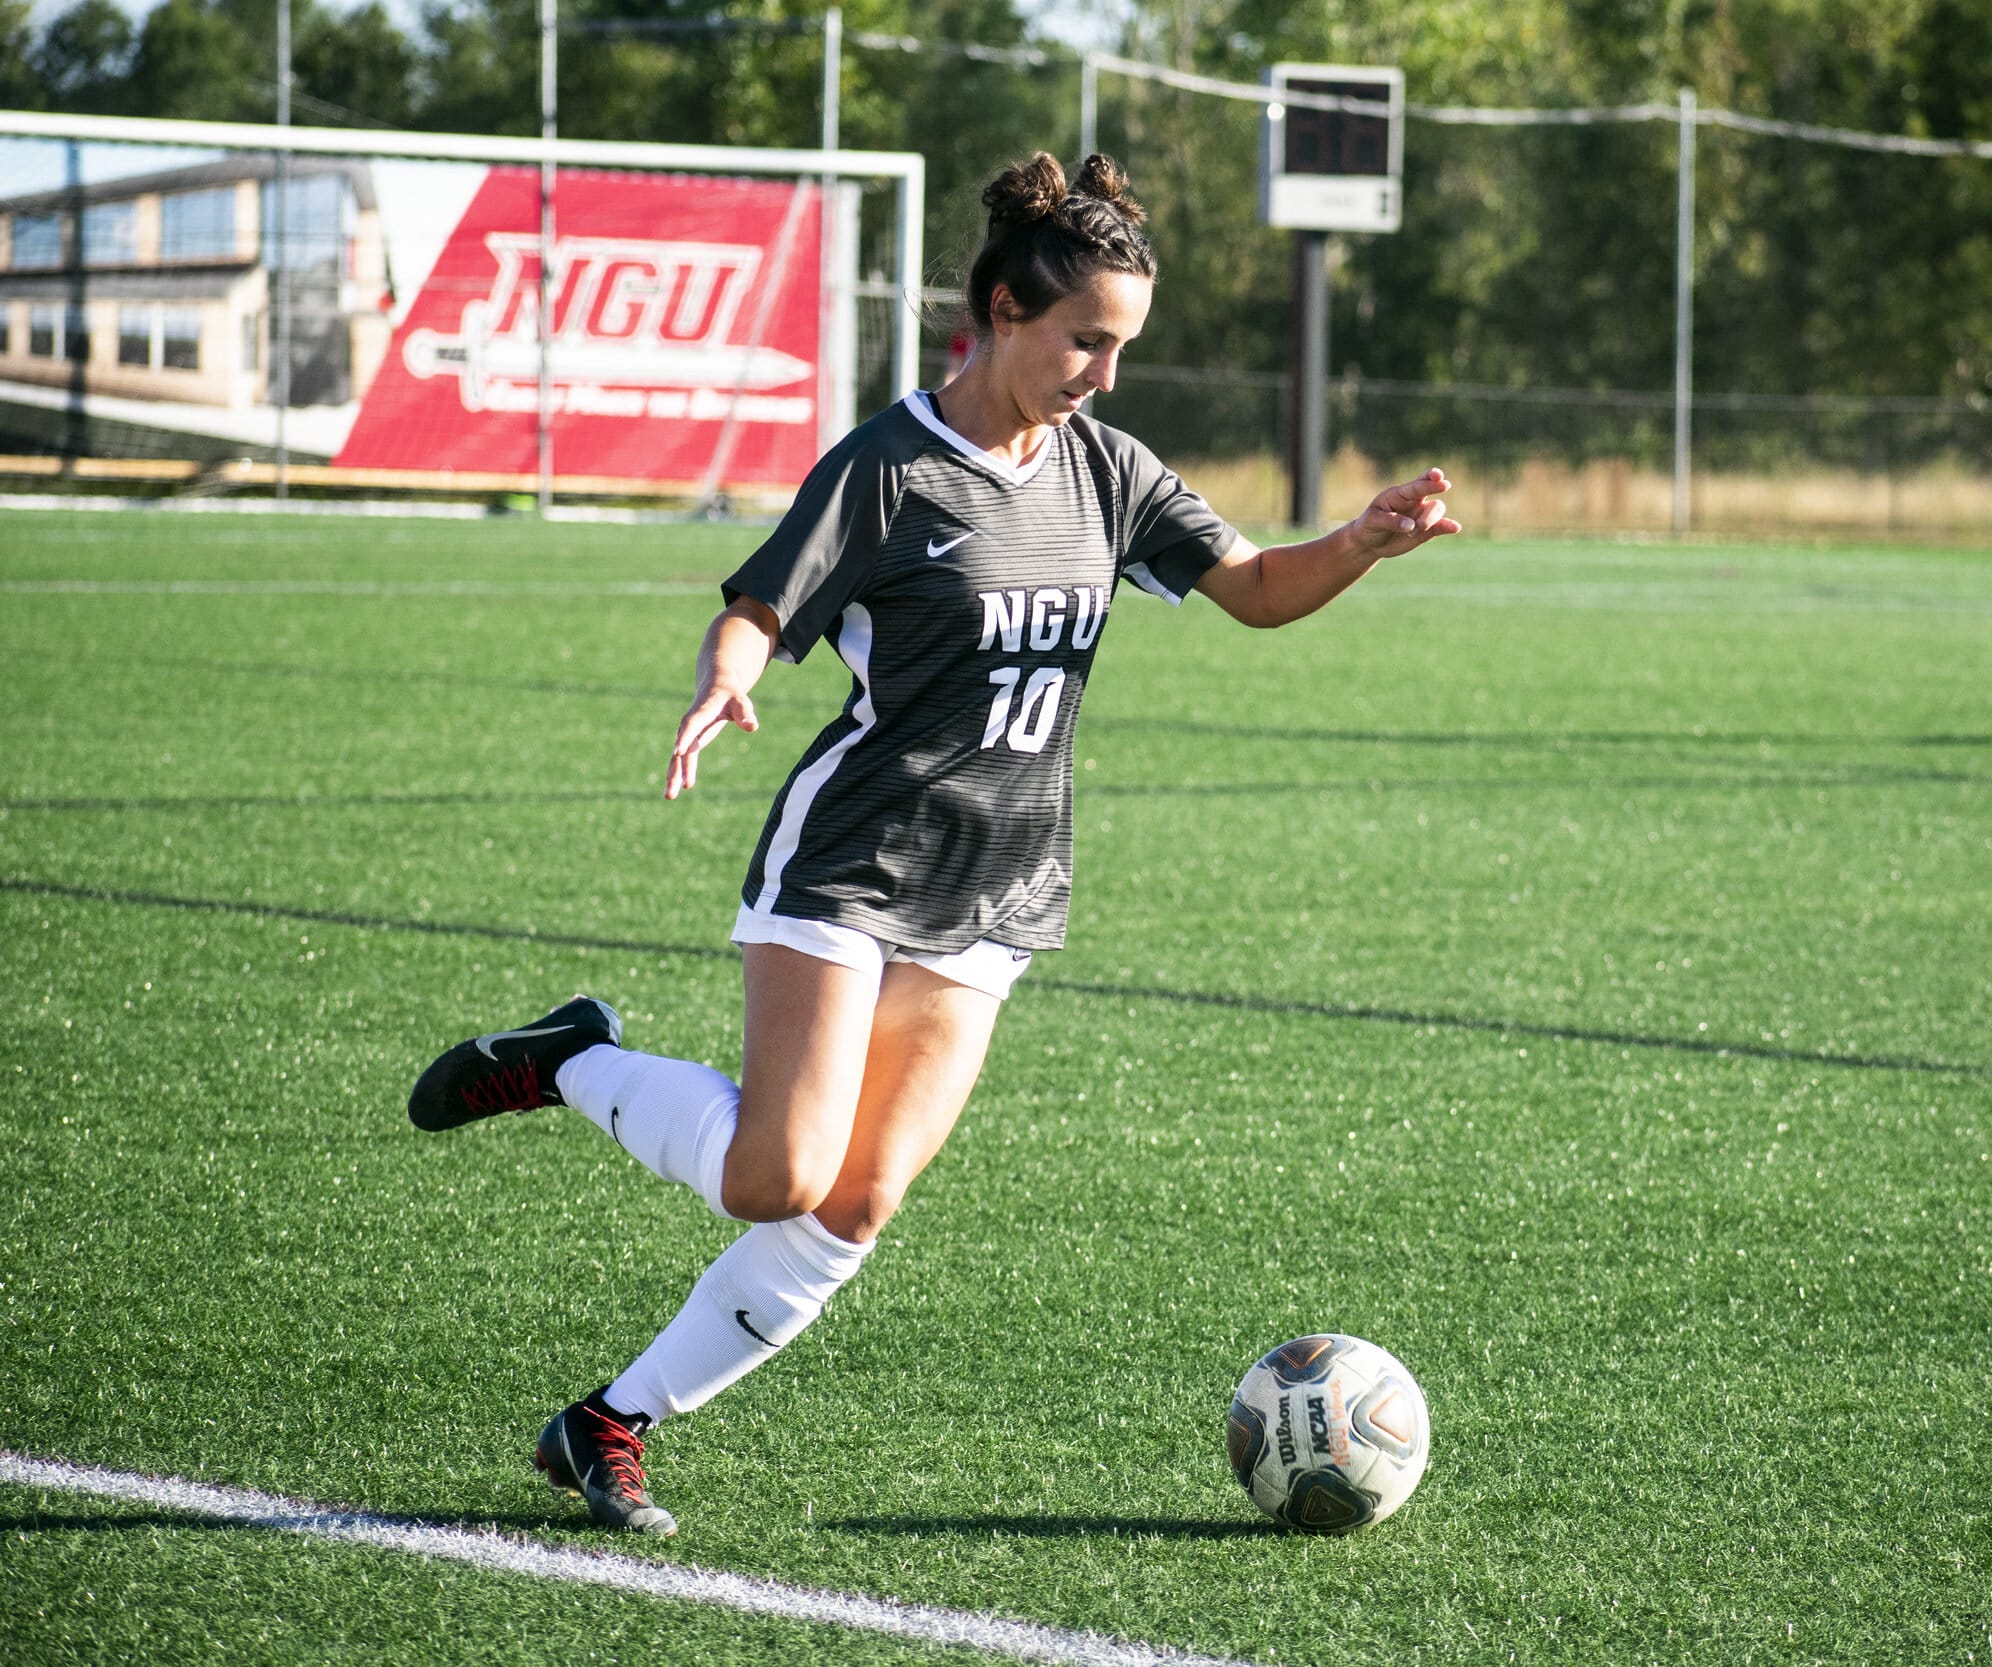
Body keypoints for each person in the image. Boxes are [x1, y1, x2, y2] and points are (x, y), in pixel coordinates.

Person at [405, 152, 1461, 1536]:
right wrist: (729, 670)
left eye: (1123, 345)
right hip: (851, 862)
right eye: (1088, 340)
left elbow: (1257, 590)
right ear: (1006, 311)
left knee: (855, 1204)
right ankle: (571, 1058)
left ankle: (608, 1421)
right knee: (774, 1175)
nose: (1106, 373)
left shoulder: (1108, 468)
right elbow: (762, 603)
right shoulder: (892, 465)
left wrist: (1361, 542)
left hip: (1000, 889)